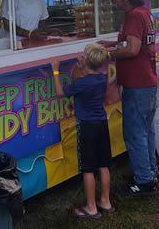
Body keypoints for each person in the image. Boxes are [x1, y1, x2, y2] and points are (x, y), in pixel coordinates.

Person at [103, 0, 158, 197]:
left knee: (136, 133)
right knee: (147, 131)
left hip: (137, 83)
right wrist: (113, 43)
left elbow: (133, 49)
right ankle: (149, 171)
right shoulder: (144, 12)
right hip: (148, 82)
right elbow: (136, 43)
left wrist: (106, 54)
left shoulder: (134, 16)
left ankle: (144, 182)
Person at [52, 44, 114, 220]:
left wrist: (56, 71)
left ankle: (91, 208)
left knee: (88, 169)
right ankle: (106, 201)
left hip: (87, 126)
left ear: (86, 61)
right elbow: (86, 76)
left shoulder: (82, 83)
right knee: (103, 165)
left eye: (82, 56)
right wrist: (83, 67)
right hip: (102, 124)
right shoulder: (102, 78)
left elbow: (59, 92)